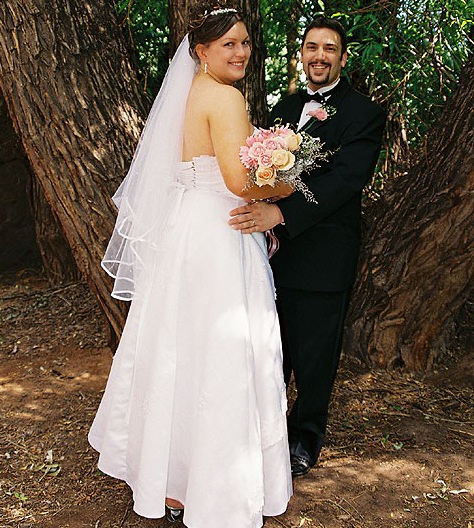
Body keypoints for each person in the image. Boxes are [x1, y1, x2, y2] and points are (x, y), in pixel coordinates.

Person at [88, 3, 293, 527]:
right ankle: (211, 482)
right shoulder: (224, 99)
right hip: (218, 235)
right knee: (219, 348)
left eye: (246, 42)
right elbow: (240, 183)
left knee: (181, 344)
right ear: (201, 51)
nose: (241, 52)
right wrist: (288, 183)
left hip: (187, 231)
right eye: (229, 44)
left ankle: (174, 477)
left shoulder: (186, 95)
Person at [229, 16, 386, 477]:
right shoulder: (286, 105)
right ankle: (267, 434)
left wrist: (281, 213)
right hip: (275, 258)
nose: (319, 56)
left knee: (316, 357)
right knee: (273, 351)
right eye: (312, 47)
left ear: (342, 56)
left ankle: (305, 439)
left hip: (324, 257)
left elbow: (345, 182)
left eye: (329, 49)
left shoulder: (364, 112)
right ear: (302, 52)